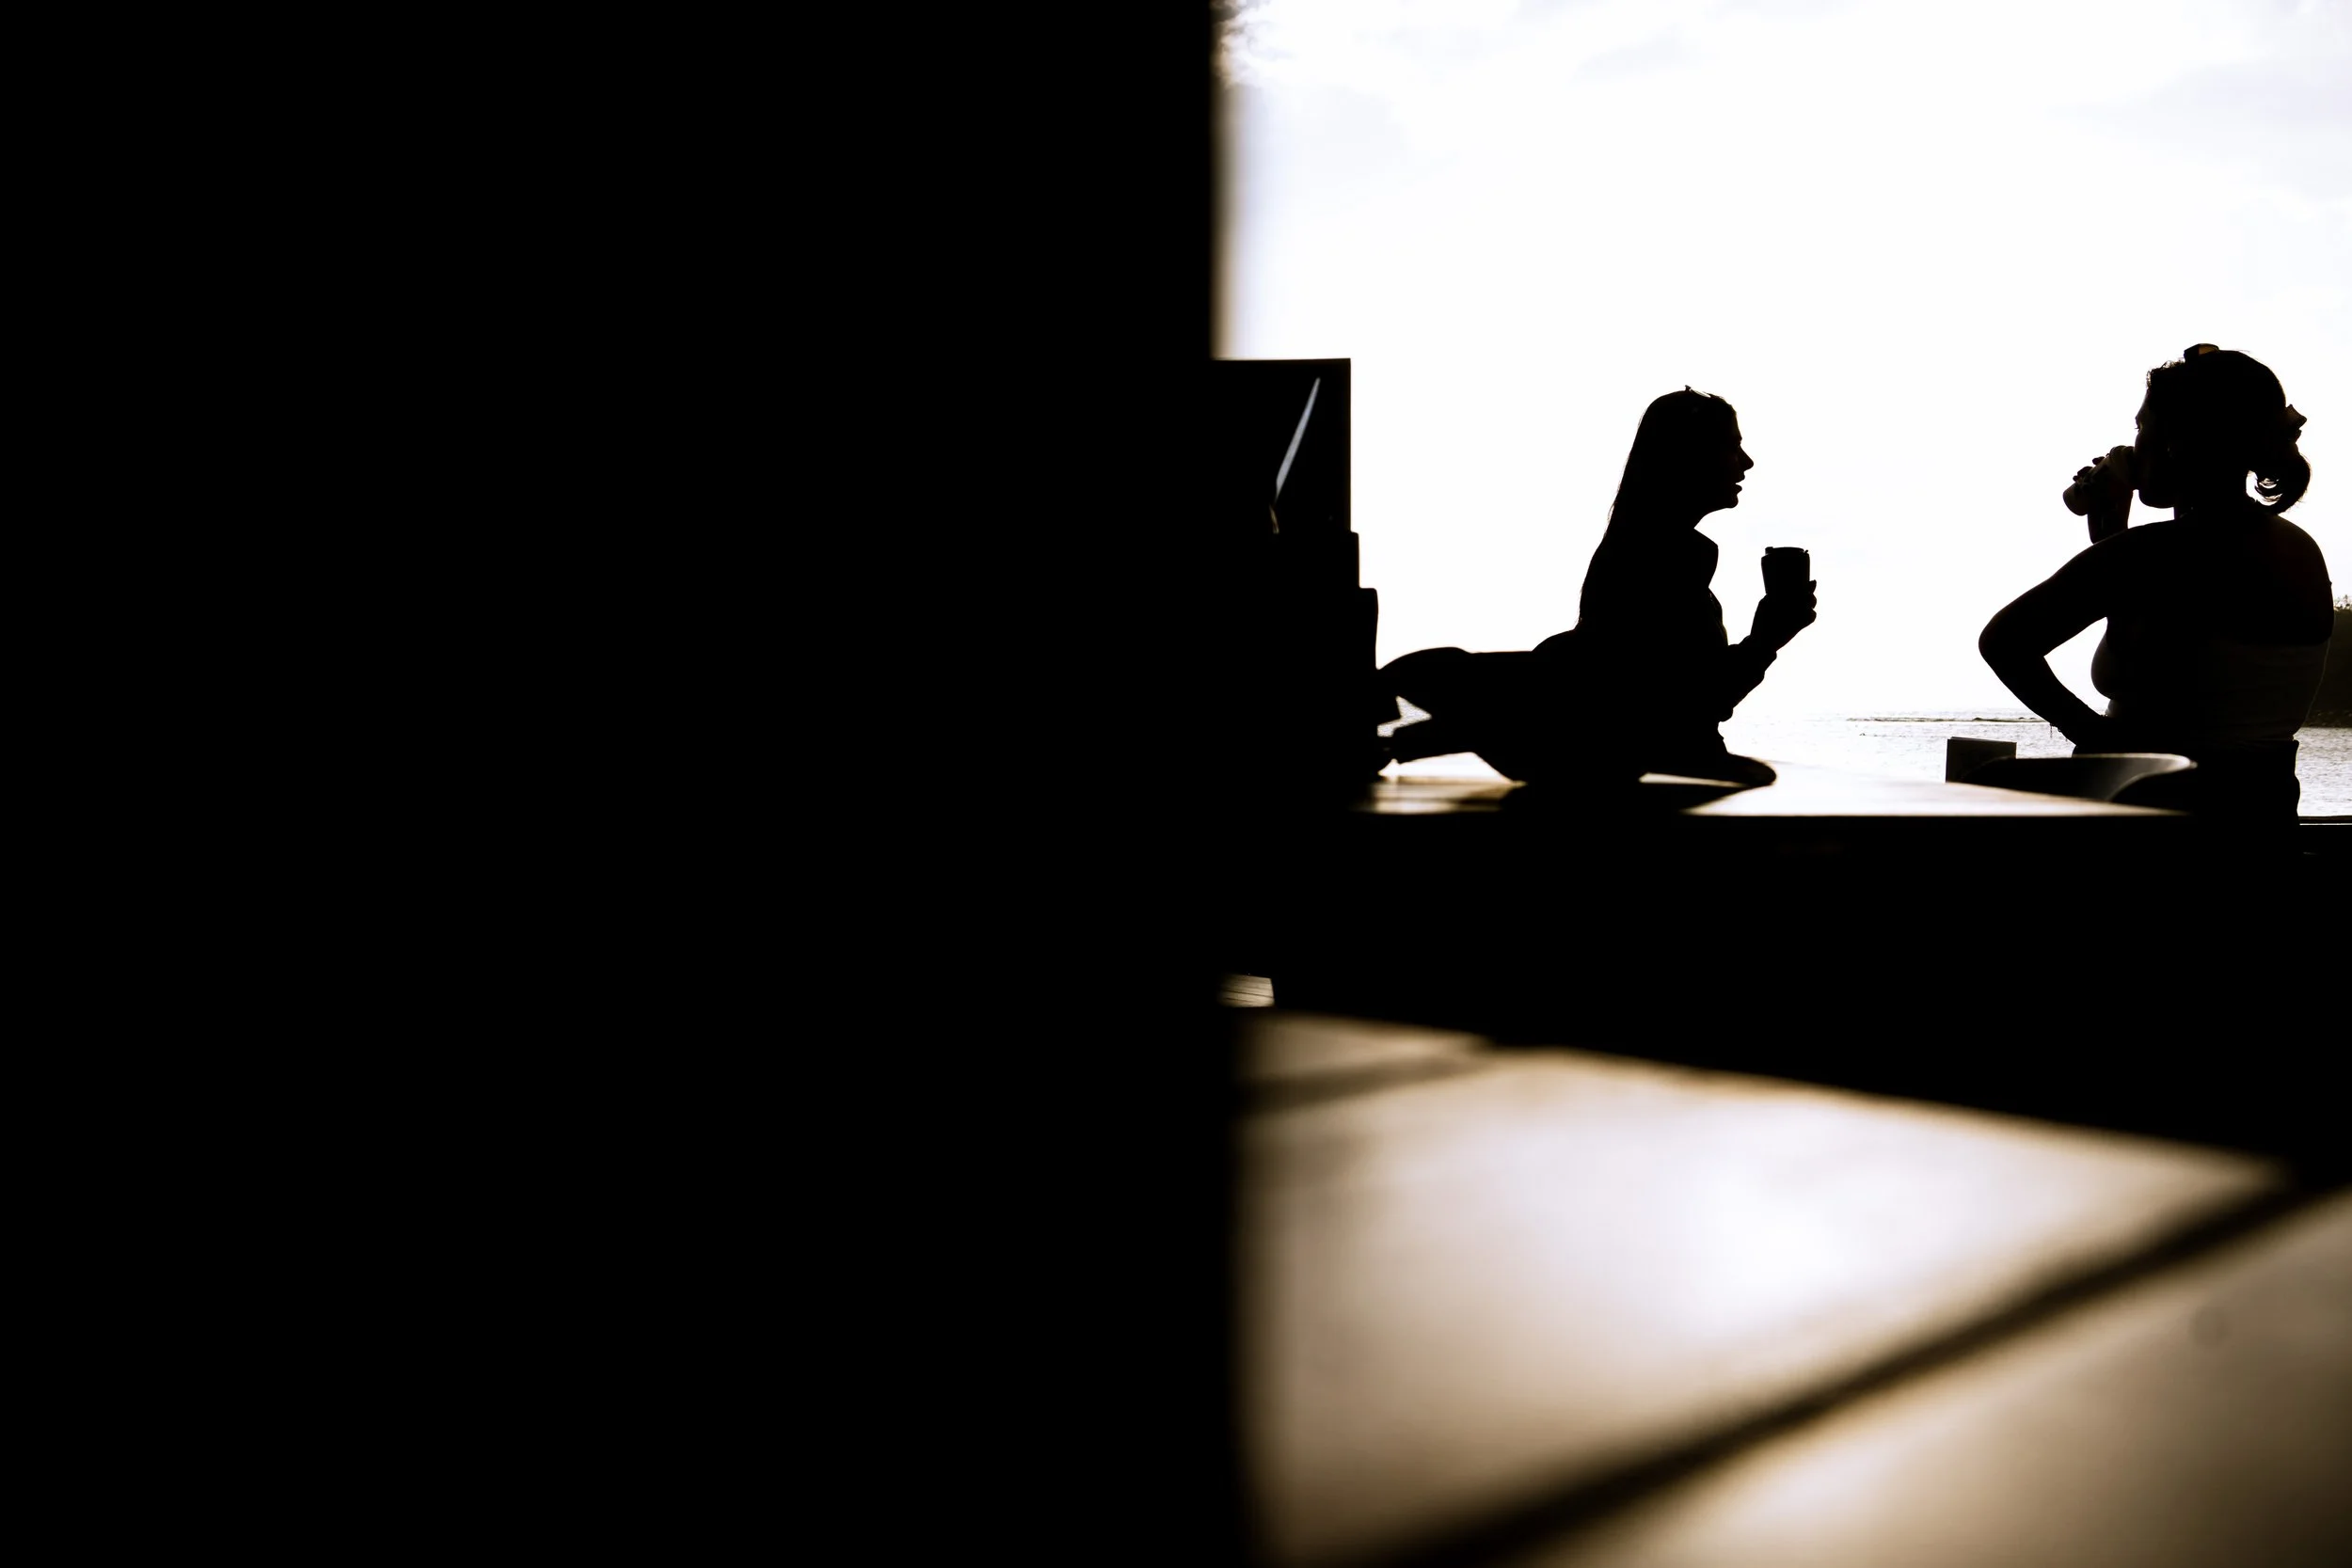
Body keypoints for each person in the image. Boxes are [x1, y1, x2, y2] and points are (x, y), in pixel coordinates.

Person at [1383, 388, 1817, 786]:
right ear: (1688, 455)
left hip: (1599, 746)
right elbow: (1684, 707)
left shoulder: (1645, 548)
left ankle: (1392, 737)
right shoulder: (1661, 557)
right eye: (1731, 445)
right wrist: (1768, 637)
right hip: (1623, 763)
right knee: (1760, 779)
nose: (1746, 462)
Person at [1979, 345, 2331, 821]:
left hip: (2154, 823)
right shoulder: (2298, 548)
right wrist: (2110, 537)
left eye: (2142, 427)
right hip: (2260, 811)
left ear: (2178, 442)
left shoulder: (2152, 554)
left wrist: (2098, 741)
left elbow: (2004, 642)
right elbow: (2169, 638)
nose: (2132, 444)